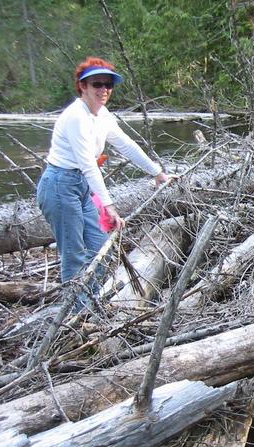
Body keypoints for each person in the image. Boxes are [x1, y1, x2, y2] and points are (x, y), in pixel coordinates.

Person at [37, 56, 171, 292]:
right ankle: (77, 315)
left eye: (108, 84)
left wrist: (157, 172)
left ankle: (93, 301)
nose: (104, 90)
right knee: (74, 255)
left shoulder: (103, 114)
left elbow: (126, 145)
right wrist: (109, 207)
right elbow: (88, 164)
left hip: (81, 186)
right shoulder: (76, 116)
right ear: (83, 86)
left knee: (100, 247)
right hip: (60, 186)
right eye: (97, 84)